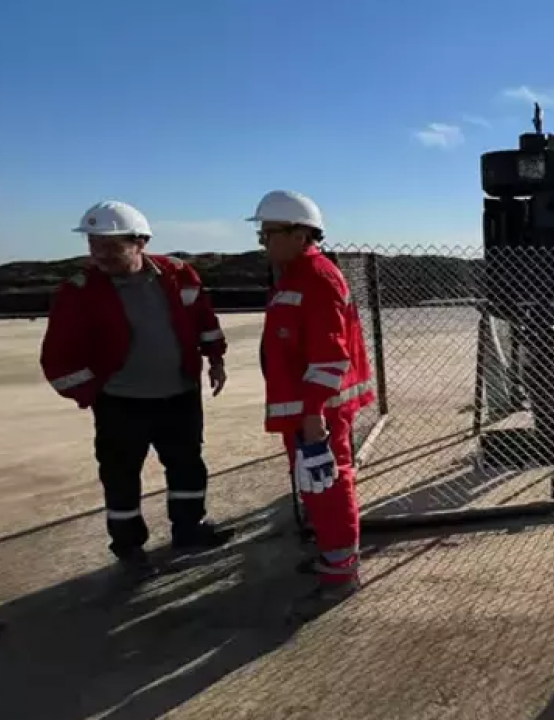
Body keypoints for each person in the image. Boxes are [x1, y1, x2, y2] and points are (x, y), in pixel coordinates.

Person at [40, 200, 235, 580]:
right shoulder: (77, 291)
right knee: (121, 477)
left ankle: (188, 529)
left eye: (113, 246)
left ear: (140, 242)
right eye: (95, 245)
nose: (102, 255)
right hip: (120, 405)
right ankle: (129, 549)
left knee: (187, 466)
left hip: (179, 395)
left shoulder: (178, 274)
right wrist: (92, 393)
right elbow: (57, 357)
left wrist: (215, 357)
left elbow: (203, 320)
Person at [250, 190, 373, 611]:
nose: (264, 243)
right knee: (316, 484)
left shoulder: (315, 278)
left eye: (270, 233)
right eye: (262, 234)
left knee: (329, 483)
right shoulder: (295, 274)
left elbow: (329, 354)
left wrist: (313, 413)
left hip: (316, 411)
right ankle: (333, 556)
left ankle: (341, 570)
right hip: (305, 409)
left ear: (300, 234)